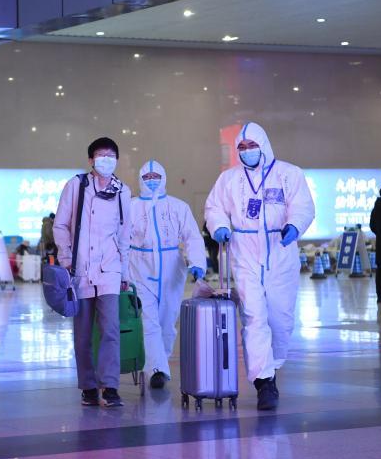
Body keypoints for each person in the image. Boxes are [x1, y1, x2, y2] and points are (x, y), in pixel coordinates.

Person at [205, 122, 315, 411]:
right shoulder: (228, 179)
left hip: (279, 251)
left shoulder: (289, 174)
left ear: (263, 144)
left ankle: (272, 364)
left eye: (251, 146)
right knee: (254, 317)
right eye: (241, 147)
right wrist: (219, 227)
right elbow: (214, 208)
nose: (247, 152)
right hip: (244, 254)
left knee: (280, 318)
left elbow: (303, 205)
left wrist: (294, 226)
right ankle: (264, 382)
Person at [54, 137, 132, 408]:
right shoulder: (76, 186)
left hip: (109, 269)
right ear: (91, 161)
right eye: (101, 156)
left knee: (111, 330)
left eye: (111, 156)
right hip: (80, 269)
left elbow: (125, 235)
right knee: (83, 333)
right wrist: (65, 257)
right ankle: (88, 386)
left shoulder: (123, 191)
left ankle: (110, 386)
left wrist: (124, 273)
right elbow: (61, 224)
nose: (106, 161)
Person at [129, 160, 207, 389]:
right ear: (140, 179)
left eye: (156, 176)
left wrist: (197, 262)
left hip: (172, 268)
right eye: (147, 177)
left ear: (163, 178)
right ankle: (157, 370)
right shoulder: (130, 206)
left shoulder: (178, 207)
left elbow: (192, 236)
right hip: (140, 268)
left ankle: (159, 361)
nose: (151, 180)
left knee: (167, 321)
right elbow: (121, 242)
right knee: (148, 319)